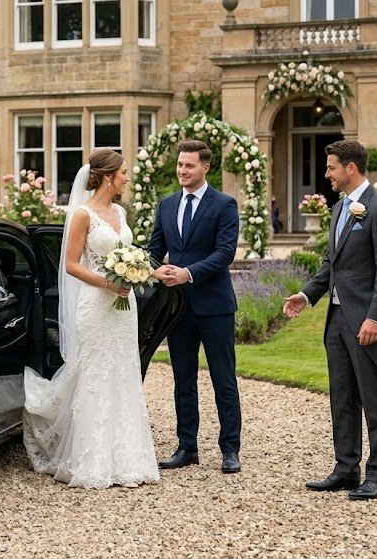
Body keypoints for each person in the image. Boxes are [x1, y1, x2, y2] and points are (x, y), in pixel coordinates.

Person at [23, 148, 159, 489]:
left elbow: (128, 254)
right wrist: (108, 283)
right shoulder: (83, 215)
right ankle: (92, 459)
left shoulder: (121, 212)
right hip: (95, 305)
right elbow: (70, 265)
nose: (128, 178)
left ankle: (127, 458)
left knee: (124, 370)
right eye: (124, 173)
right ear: (109, 176)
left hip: (124, 309)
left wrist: (143, 273)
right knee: (96, 371)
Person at [283, 140, 377, 501]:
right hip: (336, 320)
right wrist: (306, 296)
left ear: (351, 168)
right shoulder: (340, 208)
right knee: (342, 397)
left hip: (365, 321)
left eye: (332, 167)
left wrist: (375, 319)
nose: (327, 174)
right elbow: (330, 264)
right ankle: (346, 469)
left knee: (373, 399)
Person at [147, 140, 242, 474]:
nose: (182, 171)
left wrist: (188, 273)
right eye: (179, 165)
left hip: (215, 307)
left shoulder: (224, 205)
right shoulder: (167, 204)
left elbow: (225, 252)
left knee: (223, 379)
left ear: (205, 167)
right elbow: (154, 249)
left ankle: (230, 449)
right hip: (178, 309)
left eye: (189, 165)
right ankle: (187, 447)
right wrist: (151, 268)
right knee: (182, 379)